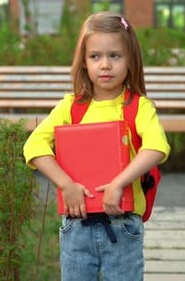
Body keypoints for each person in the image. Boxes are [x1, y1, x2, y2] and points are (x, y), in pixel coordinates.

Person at [23, 11, 170, 281]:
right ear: (83, 63)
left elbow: (157, 147)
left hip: (123, 225)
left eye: (115, 55)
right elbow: (34, 146)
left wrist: (118, 184)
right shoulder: (71, 107)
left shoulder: (138, 107)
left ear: (130, 60)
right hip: (77, 225)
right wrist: (65, 184)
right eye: (95, 56)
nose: (105, 65)